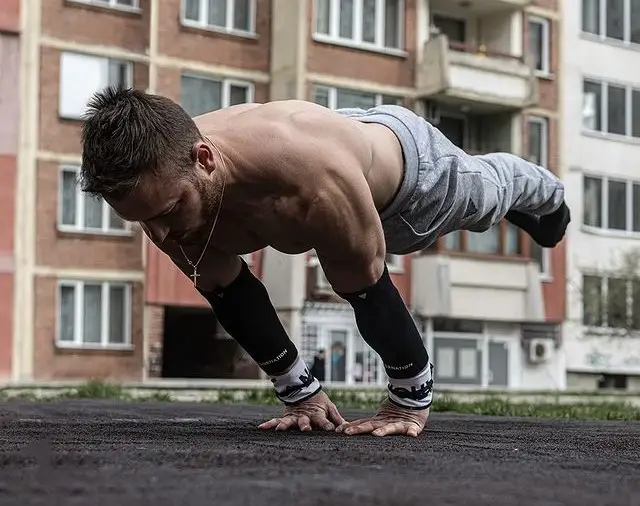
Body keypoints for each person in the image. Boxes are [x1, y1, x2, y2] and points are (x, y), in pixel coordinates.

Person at [79, 87, 570, 438]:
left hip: (410, 179)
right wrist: (301, 395)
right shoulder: (163, 186)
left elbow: (367, 288)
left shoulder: (310, 186)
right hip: (336, 138)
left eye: (166, 214)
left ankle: (545, 195)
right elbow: (229, 290)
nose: (160, 234)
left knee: (487, 195)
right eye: (144, 221)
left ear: (205, 159)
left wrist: (408, 400)